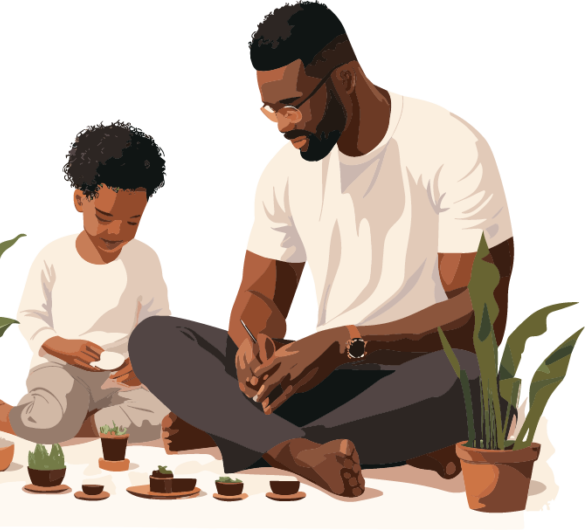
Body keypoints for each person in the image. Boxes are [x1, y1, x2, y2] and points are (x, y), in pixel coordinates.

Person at [127, 1, 517, 498]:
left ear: (346, 79)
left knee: (472, 380)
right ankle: (301, 450)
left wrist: (344, 342)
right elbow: (260, 297)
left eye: (291, 105)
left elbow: (480, 315)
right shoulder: (283, 172)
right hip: (314, 379)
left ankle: (241, 432)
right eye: (267, 108)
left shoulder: (451, 148)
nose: (280, 124)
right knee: (157, 339)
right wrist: (252, 346)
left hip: (415, 375)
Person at [0, 120, 172, 445]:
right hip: (60, 371)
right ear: (80, 200)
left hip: (119, 377)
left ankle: (72, 426)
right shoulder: (53, 256)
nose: (117, 231)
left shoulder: (146, 258)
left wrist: (144, 362)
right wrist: (60, 346)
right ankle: (0, 414)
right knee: (52, 414)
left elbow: (157, 323)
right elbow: (29, 317)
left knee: (160, 418)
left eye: (133, 221)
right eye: (105, 217)